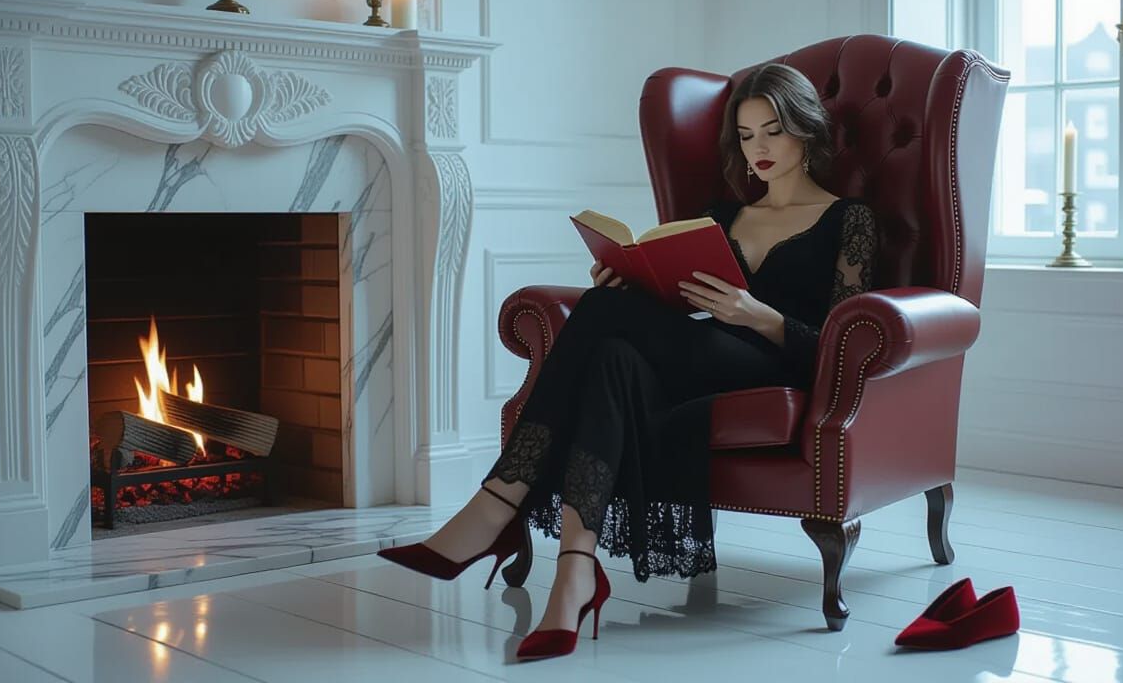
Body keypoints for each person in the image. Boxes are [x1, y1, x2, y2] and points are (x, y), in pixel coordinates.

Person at [377, 62, 879, 661]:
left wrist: (759, 316)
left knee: (601, 319)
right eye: (746, 136)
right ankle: (575, 573)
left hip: (776, 365)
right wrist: (627, 281)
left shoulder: (850, 219)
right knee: (611, 351)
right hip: (702, 356)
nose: (760, 149)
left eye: (773, 131)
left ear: (806, 129)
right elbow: (676, 305)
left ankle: (499, 503)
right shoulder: (724, 216)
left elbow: (839, 344)